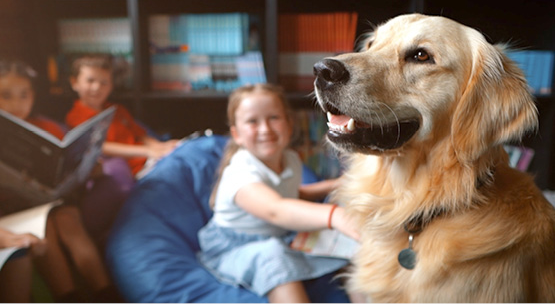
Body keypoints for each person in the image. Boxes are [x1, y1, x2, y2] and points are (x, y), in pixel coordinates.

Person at [197, 83, 360, 303]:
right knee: (273, 257)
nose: (265, 129)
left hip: (283, 234)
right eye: (253, 122)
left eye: (273, 118)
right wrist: (335, 216)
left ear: (289, 124)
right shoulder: (240, 174)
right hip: (238, 247)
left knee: (351, 246)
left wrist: (335, 184)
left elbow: (291, 195)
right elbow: (276, 209)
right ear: (236, 134)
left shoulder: (290, 158)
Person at [0, 59, 119, 302]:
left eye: (24, 95)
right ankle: (68, 296)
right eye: (5, 96)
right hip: (16, 207)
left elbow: (71, 160)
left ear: (33, 96)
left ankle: (106, 293)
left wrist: (88, 166)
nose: (16, 104)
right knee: (46, 228)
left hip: (57, 199)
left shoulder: (48, 127)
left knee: (66, 219)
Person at [65, 54, 180, 177]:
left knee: (193, 150)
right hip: (135, 169)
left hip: (152, 159)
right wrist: (149, 151)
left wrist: (161, 146)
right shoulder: (76, 117)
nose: (97, 87)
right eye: (90, 80)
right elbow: (100, 147)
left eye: (104, 82)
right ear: (74, 82)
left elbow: (140, 134)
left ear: (111, 86)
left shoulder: (116, 110)